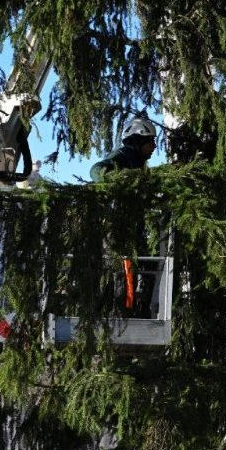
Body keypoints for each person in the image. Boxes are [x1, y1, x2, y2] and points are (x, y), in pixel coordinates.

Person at [89, 116, 160, 318]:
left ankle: (135, 308)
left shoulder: (138, 163)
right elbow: (96, 170)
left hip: (133, 226)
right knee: (122, 269)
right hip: (118, 228)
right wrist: (115, 181)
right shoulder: (122, 156)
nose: (154, 147)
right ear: (137, 141)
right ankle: (120, 313)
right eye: (150, 142)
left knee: (140, 265)